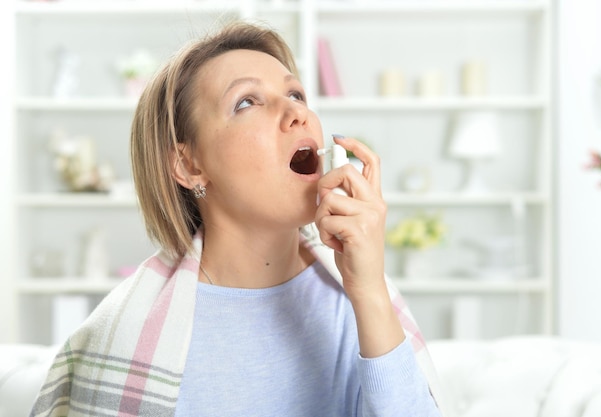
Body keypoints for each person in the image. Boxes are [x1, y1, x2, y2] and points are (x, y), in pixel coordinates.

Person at [30, 21, 445, 417]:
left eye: (296, 95)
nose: (296, 113)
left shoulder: (355, 295)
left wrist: (369, 290)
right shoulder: (127, 338)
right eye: (246, 101)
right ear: (188, 164)